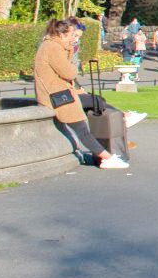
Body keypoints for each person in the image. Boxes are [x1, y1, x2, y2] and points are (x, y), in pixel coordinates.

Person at [34, 19, 138, 170]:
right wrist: (71, 56)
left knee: (87, 116)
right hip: (58, 96)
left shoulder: (52, 45)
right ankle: (108, 158)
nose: (74, 39)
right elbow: (69, 72)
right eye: (72, 35)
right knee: (82, 129)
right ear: (62, 35)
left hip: (58, 94)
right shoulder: (53, 48)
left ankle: (108, 153)